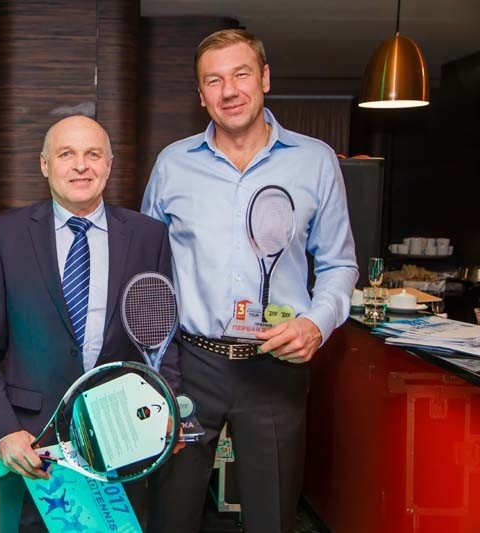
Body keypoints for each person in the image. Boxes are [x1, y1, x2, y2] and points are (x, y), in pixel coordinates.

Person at [141, 29, 358, 533]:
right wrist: (153, 365)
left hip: (275, 367)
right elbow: (148, 271)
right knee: (170, 514)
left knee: (272, 518)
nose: (229, 90)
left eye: (241, 74)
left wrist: (316, 323)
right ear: (201, 95)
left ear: (264, 79)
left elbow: (339, 263)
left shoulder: (315, 161)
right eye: (213, 80)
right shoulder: (172, 164)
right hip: (189, 366)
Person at [0, 115, 181, 532]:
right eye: (66, 154)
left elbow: (163, 337)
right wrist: (4, 431)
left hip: (122, 437)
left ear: (109, 164)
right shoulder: (4, 234)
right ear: (45, 165)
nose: (81, 165)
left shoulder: (148, 235)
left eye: (93, 154)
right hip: (31, 442)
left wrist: (166, 406)